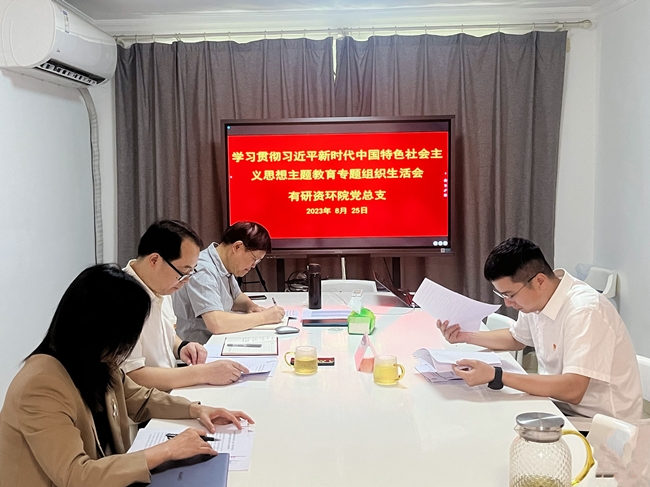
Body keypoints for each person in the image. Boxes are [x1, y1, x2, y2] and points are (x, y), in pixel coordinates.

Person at [0, 264, 254, 487]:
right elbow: (75, 475)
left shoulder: (97, 361)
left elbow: (140, 399)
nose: (127, 346)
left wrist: (197, 410)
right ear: (98, 330)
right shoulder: (41, 386)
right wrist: (166, 451)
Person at [437, 237, 642, 421]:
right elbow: (516, 338)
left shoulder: (584, 310)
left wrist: (496, 375)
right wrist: (465, 336)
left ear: (540, 281)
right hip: (556, 406)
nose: (508, 303)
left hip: (599, 425)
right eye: (503, 295)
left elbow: (573, 389)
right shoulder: (538, 300)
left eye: (510, 295)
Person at [122, 220, 249, 391]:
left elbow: (165, 332)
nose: (186, 281)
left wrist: (181, 347)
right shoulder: (121, 299)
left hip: (170, 387)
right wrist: (202, 373)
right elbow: (131, 376)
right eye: (183, 272)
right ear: (154, 260)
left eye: (191, 272)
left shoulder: (159, 287)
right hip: (145, 401)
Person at [173, 221, 285, 344]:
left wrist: (251, 306)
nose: (253, 265)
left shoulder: (225, 264)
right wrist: (263, 317)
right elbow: (216, 323)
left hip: (216, 339)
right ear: (237, 247)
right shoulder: (203, 270)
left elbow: (236, 297)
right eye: (254, 259)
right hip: (198, 346)